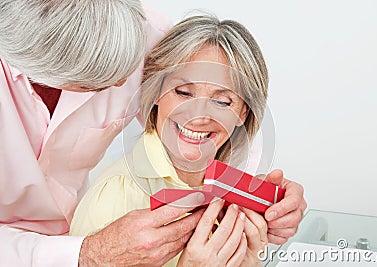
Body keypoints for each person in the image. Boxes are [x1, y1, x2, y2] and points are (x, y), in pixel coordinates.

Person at [0, 1, 306, 266]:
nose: (123, 84)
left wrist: (264, 196)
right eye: (96, 82)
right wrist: (86, 253)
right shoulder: (114, 201)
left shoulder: (148, 33)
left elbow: (219, 113)